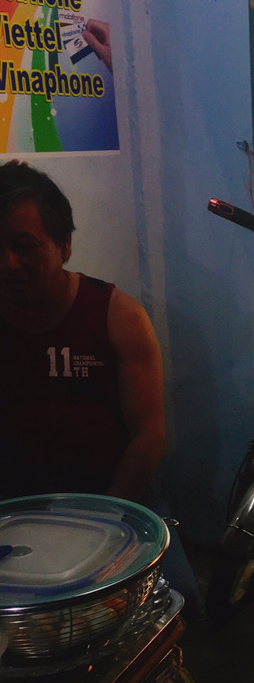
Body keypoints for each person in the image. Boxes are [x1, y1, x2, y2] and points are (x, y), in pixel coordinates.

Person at [0, 160, 165, 502]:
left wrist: (103, 519)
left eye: (24, 247)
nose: (8, 263)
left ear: (65, 245)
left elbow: (149, 436)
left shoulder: (118, 317)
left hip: (104, 509)